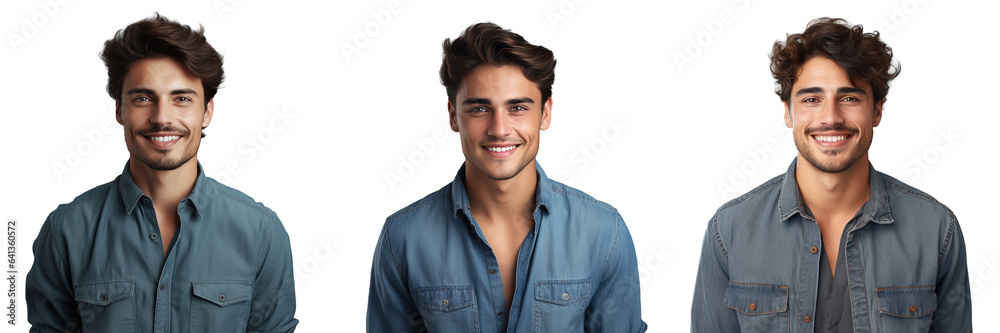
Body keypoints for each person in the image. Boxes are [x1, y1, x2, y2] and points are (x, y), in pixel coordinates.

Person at [691, 17, 971, 332]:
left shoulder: (935, 229)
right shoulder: (729, 230)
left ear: (877, 110)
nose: (831, 117)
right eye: (811, 99)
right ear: (787, 112)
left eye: (849, 98)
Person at [25, 13, 298, 332]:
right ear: (119, 110)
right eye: (143, 98)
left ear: (207, 111)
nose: (161, 117)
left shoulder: (262, 234)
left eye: (181, 98)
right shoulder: (66, 233)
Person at [367, 22, 646, 332]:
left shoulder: (605, 232)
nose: (499, 129)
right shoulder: (402, 238)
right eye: (479, 109)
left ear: (545, 113)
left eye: (517, 107)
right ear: (452, 115)